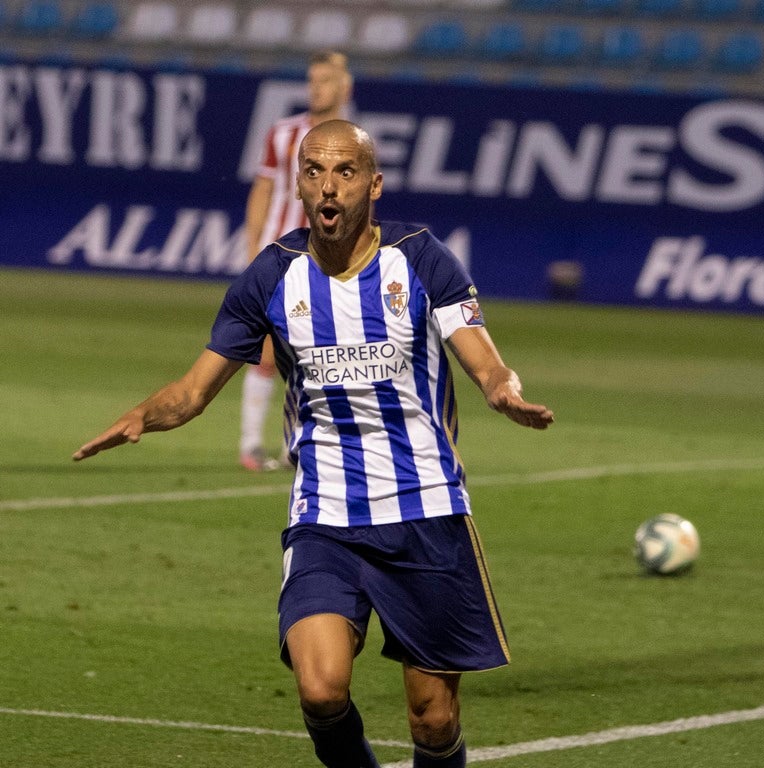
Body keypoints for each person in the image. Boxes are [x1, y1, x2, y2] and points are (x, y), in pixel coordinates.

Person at [73, 120, 554, 768]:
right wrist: (140, 416)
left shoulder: (419, 257)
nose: (329, 187)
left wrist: (501, 390)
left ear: (374, 184)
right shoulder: (272, 277)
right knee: (320, 688)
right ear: (299, 183)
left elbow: (483, 357)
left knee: (432, 719)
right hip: (325, 517)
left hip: (425, 511)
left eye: (346, 171)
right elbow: (193, 391)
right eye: (315, 171)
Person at [240, 50, 353, 472]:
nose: (315, 87)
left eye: (324, 80)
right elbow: (263, 190)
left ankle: (302, 444)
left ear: (345, 87)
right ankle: (251, 444)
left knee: (324, 353)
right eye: (311, 79)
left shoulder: (354, 140)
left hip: (330, 258)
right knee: (269, 349)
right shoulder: (284, 133)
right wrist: (252, 249)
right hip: (282, 253)